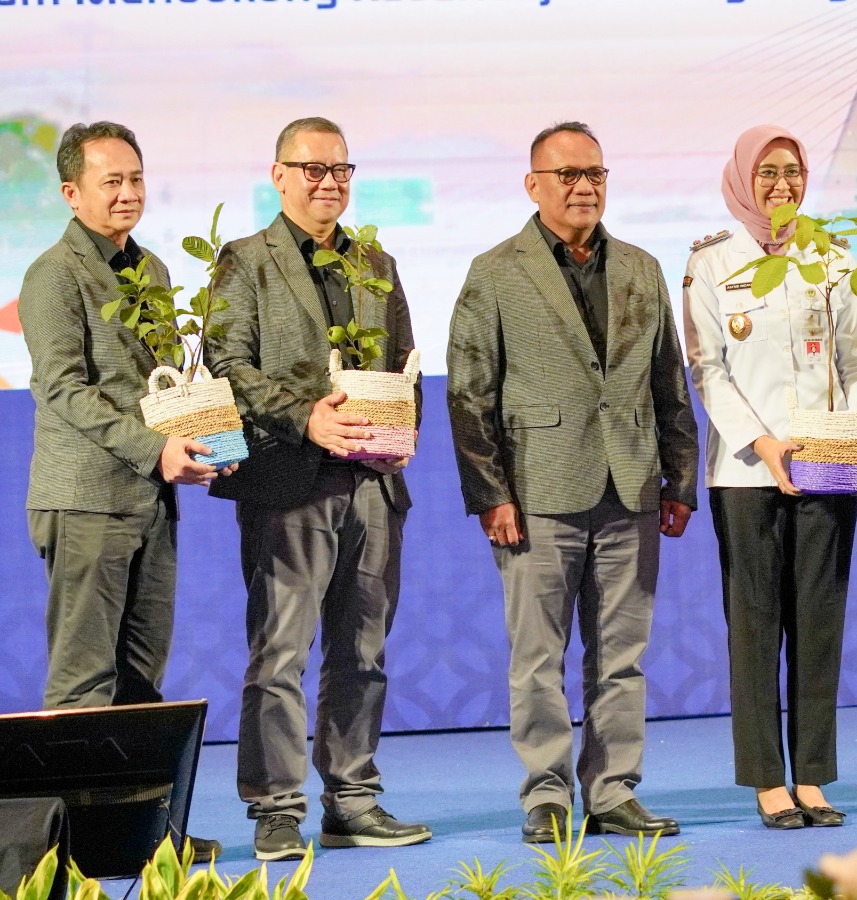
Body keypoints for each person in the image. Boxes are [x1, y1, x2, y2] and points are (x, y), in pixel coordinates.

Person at [447, 120, 700, 844]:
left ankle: (614, 791)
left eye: (596, 173)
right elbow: (469, 394)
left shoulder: (643, 267)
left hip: (632, 490)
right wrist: (490, 494)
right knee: (538, 660)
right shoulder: (494, 271)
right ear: (534, 185)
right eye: (567, 175)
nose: (584, 186)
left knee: (623, 657)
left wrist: (678, 478)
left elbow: (668, 385)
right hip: (536, 492)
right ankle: (547, 797)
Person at [207, 116, 430, 860]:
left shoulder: (376, 260)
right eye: (312, 169)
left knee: (362, 650)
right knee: (279, 655)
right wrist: (306, 417)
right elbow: (227, 363)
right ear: (278, 175)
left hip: (371, 481)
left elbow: (405, 362)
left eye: (341, 169)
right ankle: (275, 808)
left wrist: (403, 433)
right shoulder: (246, 261)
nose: (329, 181)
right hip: (289, 481)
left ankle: (353, 800)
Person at [20, 120, 224, 863]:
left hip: (149, 500)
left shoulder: (157, 271)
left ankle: (138, 841)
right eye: (112, 181)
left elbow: (171, 385)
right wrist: (157, 448)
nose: (129, 193)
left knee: (142, 684)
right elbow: (64, 390)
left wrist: (213, 445)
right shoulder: (53, 273)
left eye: (136, 178)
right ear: (73, 193)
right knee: (83, 684)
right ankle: (62, 848)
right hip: (84, 500)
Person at [682, 125, 857, 829]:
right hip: (746, 473)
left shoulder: (830, 257)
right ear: (742, 178)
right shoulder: (711, 264)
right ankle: (768, 779)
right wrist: (765, 447)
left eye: (792, 172)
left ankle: (816, 777)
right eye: (767, 172)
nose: (781, 185)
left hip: (829, 464)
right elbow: (707, 370)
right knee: (757, 626)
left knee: (820, 624)